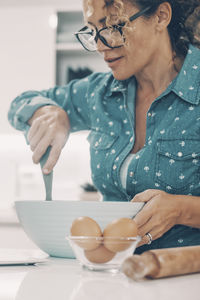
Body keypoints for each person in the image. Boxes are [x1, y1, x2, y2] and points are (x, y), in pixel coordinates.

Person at [8, 0, 200, 254]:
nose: (100, 45)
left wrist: (181, 209)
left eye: (115, 26)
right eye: (93, 30)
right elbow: (19, 104)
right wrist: (50, 111)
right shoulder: (99, 93)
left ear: (161, 16)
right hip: (111, 278)